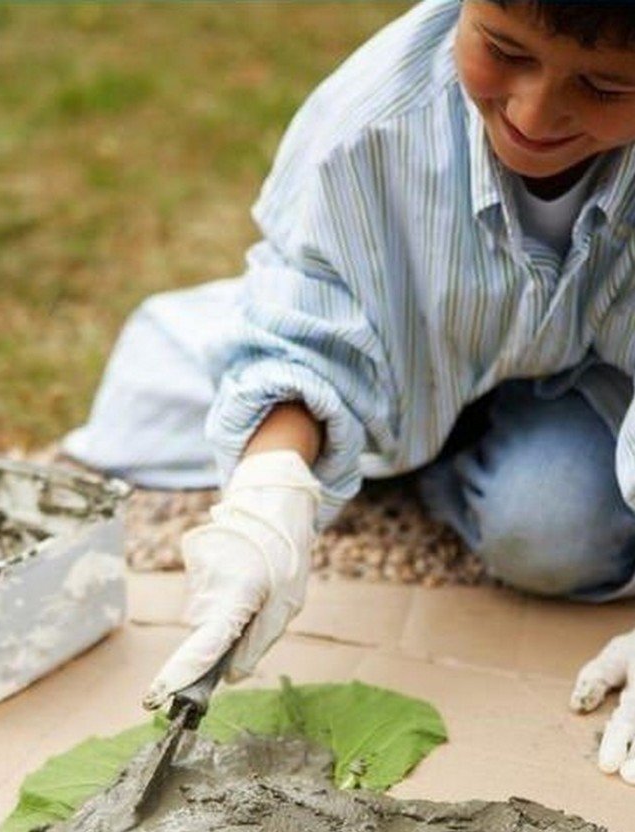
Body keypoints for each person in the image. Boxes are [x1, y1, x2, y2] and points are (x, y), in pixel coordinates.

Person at [62, 0, 635, 783]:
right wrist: (270, 489)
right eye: (502, 48)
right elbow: (309, 320)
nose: (534, 112)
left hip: (595, 377)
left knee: (552, 532)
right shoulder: (370, 123)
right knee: (180, 411)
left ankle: (414, 449)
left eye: (604, 88)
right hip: (412, 339)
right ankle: (402, 434)